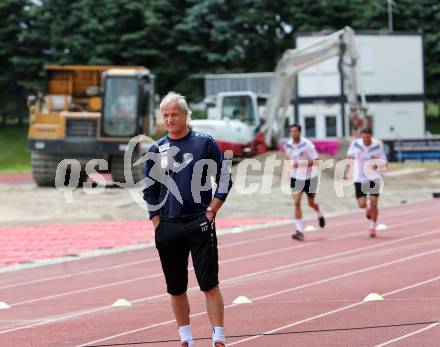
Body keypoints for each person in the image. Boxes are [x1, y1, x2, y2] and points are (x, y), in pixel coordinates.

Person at [143, 92, 232, 347]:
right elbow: (149, 190)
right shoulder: (156, 149)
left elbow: (224, 178)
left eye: (174, 114)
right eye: (166, 115)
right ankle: (186, 338)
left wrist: (213, 209)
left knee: (209, 283)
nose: (170, 119)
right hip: (167, 226)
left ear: (185, 115)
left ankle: (218, 336)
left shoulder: (204, 143)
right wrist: (156, 221)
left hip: (198, 222)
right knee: (176, 287)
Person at [284, 124, 325, 241]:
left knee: (311, 203)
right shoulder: (288, 145)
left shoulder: (307, 145)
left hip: (310, 177)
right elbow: (289, 158)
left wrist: (301, 164)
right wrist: (288, 169)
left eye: (295, 131)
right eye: (291, 132)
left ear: (300, 132)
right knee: (297, 202)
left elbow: (316, 161)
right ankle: (299, 231)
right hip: (295, 177)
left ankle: (319, 213)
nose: (293, 133)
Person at [344, 127, 387, 238]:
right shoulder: (356, 144)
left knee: (374, 203)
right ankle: (367, 206)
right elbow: (349, 156)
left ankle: (372, 227)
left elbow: (384, 161)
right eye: (364, 137)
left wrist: (377, 165)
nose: (365, 139)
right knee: (361, 204)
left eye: (368, 137)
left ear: (371, 136)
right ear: (361, 136)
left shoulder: (377, 145)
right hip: (359, 177)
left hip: (373, 176)